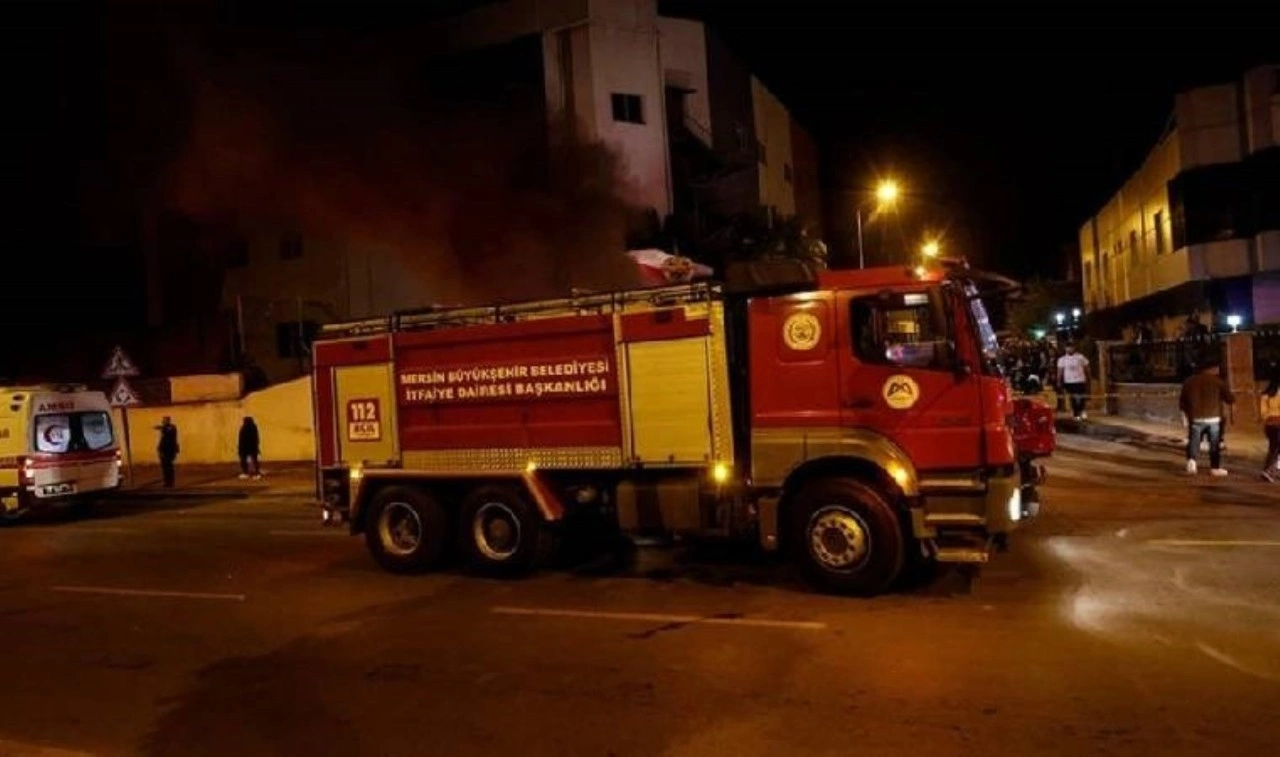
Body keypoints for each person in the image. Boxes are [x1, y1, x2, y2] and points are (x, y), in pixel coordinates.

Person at [1179, 361, 1235, 476]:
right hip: (1213, 417)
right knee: (1214, 443)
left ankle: (1191, 462)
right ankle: (1214, 467)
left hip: (1195, 417)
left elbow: (1182, 401)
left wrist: (1186, 414)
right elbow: (1230, 399)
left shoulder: (1189, 382)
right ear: (1212, 369)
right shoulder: (1218, 382)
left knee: (1194, 441)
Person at [1056, 343, 1090, 420]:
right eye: (1068, 348)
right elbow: (1060, 371)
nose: (1069, 349)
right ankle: (1076, 413)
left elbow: (1087, 367)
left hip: (1080, 380)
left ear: (1074, 348)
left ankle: (1082, 410)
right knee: (1073, 398)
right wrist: (1058, 381)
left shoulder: (1080, 357)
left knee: (1081, 397)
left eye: (1071, 348)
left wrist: (1088, 377)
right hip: (1069, 381)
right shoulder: (1062, 359)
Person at [1260, 372, 1280, 481]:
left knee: (1273, 448)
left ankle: (1272, 470)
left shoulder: (1265, 395)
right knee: (1275, 449)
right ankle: (1269, 470)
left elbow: (1263, 413)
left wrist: (1269, 417)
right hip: (1278, 423)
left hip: (1269, 424)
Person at [156, 417, 179, 488]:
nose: (163, 422)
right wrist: (159, 449)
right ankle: (167, 482)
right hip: (163, 451)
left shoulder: (171, 428)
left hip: (169, 451)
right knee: (165, 467)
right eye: (163, 421)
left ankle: (170, 482)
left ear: (168, 421)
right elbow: (162, 441)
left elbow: (168, 430)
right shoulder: (164, 430)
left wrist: (161, 427)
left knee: (169, 467)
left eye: (164, 421)